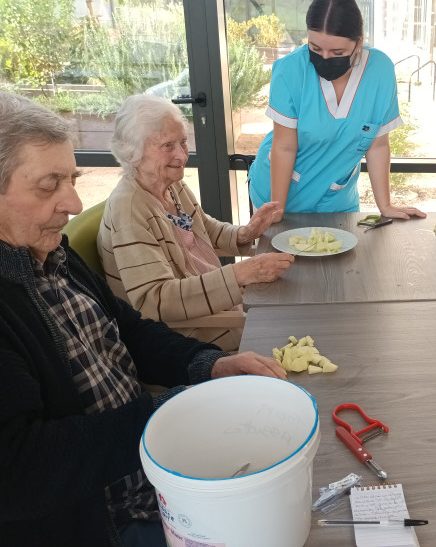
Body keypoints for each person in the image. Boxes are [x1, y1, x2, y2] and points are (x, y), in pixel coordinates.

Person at [0, 92, 287, 547]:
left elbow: (129, 328)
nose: (74, 203)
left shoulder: (52, 251)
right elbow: (21, 469)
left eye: (72, 178)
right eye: (47, 185)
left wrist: (209, 365)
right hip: (114, 511)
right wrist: (168, 412)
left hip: (153, 460)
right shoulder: (122, 211)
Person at [99, 95, 294, 352]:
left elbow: (204, 230)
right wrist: (240, 275)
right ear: (130, 151)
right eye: (167, 146)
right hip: (189, 337)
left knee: (298, 314)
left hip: (215, 308)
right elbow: (154, 300)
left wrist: (245, 234)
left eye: (183, 142)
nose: (182, 155)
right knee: (294, 330)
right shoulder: (129, 208)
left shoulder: (171, 185)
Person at [248, 0, 425, 220]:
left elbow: (378, 144)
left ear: (359, 43)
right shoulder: (290, 70)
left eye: (338, 52)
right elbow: (284, 146)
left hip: (337, 198)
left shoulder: (380, 71)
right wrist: (277, 210)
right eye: (315, 49)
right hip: (279, 191)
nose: (325, 58)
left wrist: (386, 206)